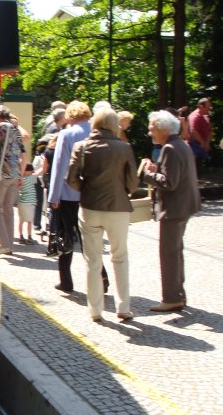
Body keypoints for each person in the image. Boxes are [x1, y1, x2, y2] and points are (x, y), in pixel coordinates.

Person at [66, 108, 139, 322]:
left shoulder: (82, 146)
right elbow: (133, 181)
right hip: (117, 207)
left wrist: (85, 189)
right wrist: (123, 191)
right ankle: (123, 307)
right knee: (120, 257)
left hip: (90, 207)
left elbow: (71, 178)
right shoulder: (124, 148)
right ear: (115, 125)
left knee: (92, 260)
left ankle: (95, 310)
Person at [140, 110, 201, 312]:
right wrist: (156, 169)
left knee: (169, 254)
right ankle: (178, 294)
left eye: (152, 129)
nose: (150, 133)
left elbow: (169, 182)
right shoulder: (180, 144)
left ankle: (172, 297)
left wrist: (146, 173)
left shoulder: (170, 148)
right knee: (175, 252)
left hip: (174, 209)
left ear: (163, 129)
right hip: (184, 206)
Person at [47, 100, 93, 292]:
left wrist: (53, 197)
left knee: (66, 235)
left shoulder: (66, 134)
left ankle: (66, 281)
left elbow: (59, 167)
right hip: (91, 194)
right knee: (89, 238)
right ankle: (102, 277)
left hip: (68, 193)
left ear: (70, 116)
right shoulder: (96, 131)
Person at [0, 105, 24, 254]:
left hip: (3, 173)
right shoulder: (16, 129)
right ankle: (10, 245)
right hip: (15, 173)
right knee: (8, 210)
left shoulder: (1, 127)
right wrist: (21, 174)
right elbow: (23, 152)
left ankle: (4, 244)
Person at [187, 97, 212, 170]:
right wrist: (203, 142)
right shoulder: (194, 116)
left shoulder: (204, 116)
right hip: (195, 146)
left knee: (198, 170)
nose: (209, 109)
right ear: (201, 106)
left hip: (201, 147)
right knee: (195, 170)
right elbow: (193, 130)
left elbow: (209, 130)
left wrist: (207, 143)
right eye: (208, 107)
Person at [17, 163, 39, 243]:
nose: (32, 172)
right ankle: (29, 237)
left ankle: (21, 236)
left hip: (21, 202)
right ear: (27, 171)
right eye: (30, 171)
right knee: (30, 221)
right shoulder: (30, 178)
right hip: (29, 203)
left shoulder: (20, 179)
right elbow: (40, 172)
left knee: (21, 221)